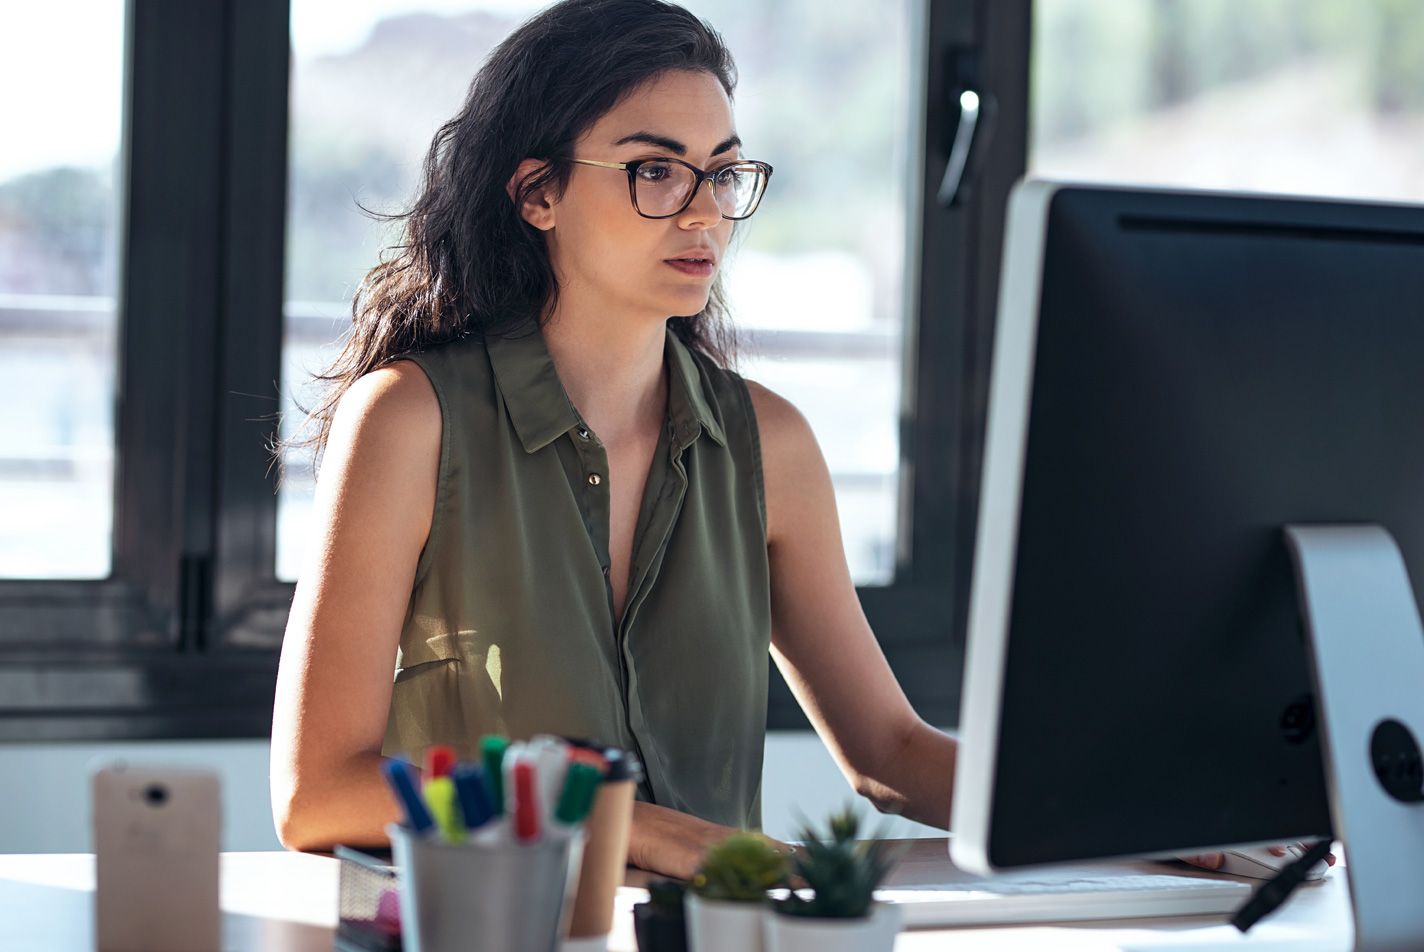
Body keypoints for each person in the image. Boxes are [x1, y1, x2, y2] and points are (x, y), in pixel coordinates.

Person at [268, 0, 1292, 880]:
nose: (703, 211)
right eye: (654, 171)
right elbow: (320, 791)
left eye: (721, 173)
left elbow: (888, 748)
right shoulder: (408, 421)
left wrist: (1143, 822)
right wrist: (637, 829)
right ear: (537, 193)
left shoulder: (772, 445)